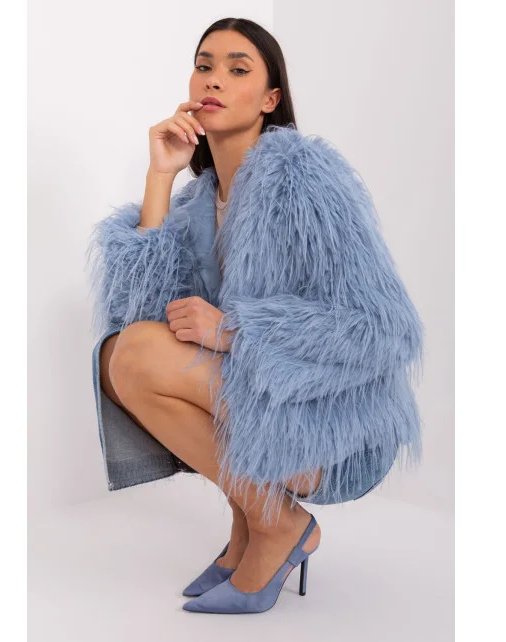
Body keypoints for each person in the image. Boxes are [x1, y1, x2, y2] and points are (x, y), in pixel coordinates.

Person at [87, 17, 424, 614]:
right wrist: (161, 175)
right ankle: (251, 526)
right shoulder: (200, 201)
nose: (213, 80)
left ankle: (276, 524)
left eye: (237, 69)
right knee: (122, 354)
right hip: (264, 411)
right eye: (204, 65)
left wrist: (236, 330)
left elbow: (384, 327)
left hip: (332, 428)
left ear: (270, 100)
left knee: (136, 355)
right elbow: (141, 314)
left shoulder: (305, 181)